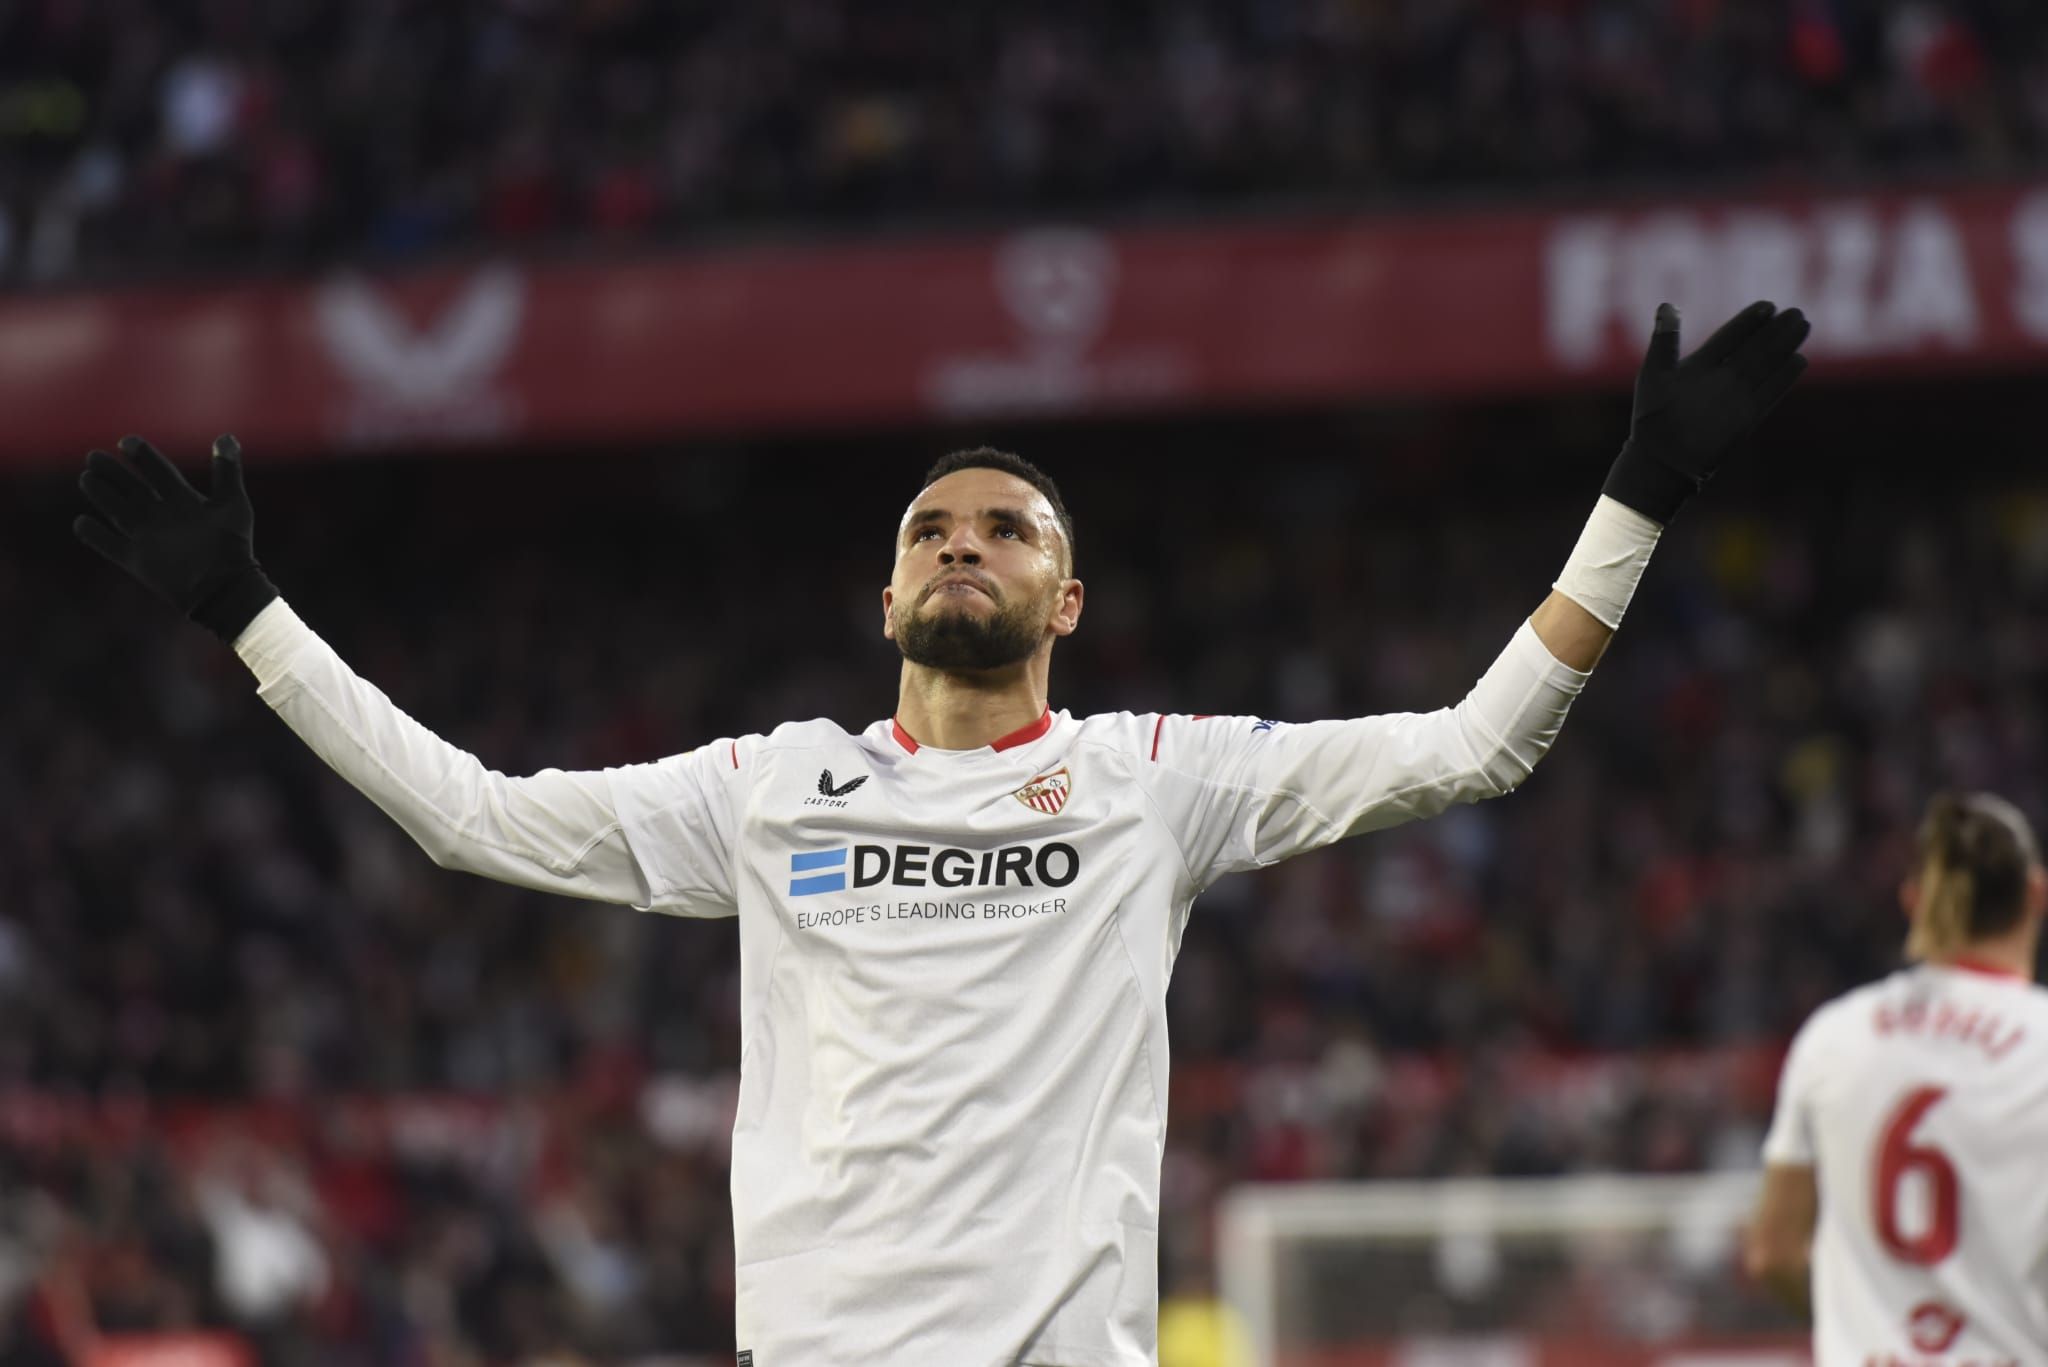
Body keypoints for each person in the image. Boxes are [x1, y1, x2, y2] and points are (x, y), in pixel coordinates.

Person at [77, 301, 1808, 1366]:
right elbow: (470, 817)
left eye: (1004, 527)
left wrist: (1634, 496)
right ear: (884, 589)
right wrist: (250, 609)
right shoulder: (772, 788)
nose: (963, 543)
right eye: (931, 528)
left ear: (1070, 594)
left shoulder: (1155, 774)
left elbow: (1474, 746)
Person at [1746, 792, 2048, 1364]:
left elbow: (1773, 1251)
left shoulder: (1833, 1037)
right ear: (2037, 893)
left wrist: (1855, 1317)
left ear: (1913, 901)